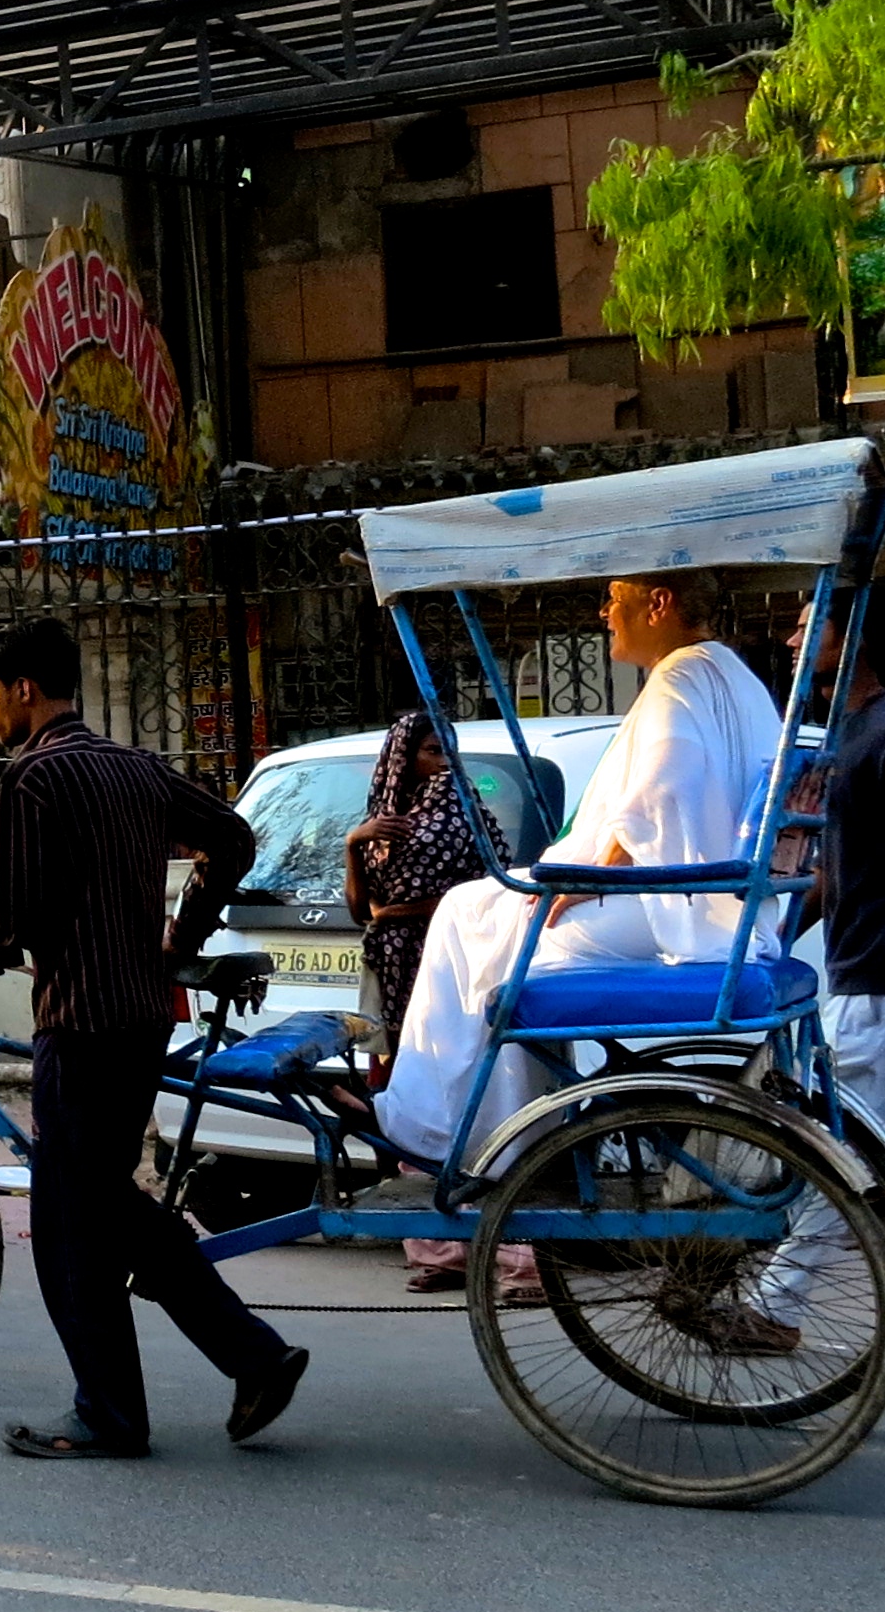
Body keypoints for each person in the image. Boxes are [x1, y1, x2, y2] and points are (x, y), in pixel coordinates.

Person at [0, 617, 299, 1462]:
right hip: (140, 1016)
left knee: (69, 1223)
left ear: (24, 688)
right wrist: (182, 937)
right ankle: (250, 1359)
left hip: (83, 1022)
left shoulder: (31, 780)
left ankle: (118, 1413)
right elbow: (232, 840)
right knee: (101, 1205)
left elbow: (15, 920)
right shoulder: (135, 768)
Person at [373, 574, 785, 1170]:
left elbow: (662, 791)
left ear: (658, 602)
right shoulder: (731, 674)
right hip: (718, 900)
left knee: (480, 924)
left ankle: (453, 1134)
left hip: (678, 904)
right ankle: (504, 1133)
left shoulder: (679, 675)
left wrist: (595, 875)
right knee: (493, 920)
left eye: (616, 601)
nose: (604, 614)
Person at [737, 607, 885, 1352]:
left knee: (843, 1155)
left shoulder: (881, 729)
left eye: (810, 627)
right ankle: (773, 1306)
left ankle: (774, 1307)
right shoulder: (850, 730)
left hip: (877, 980)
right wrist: (762, 939)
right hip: (858, 968)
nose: (791, 642)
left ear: (855, 634)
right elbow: (833, 871)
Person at [340, 711, 520, 1297]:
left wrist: (403, 914)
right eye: (426, 750)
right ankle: (439, 1251)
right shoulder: (383, 821)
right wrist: (354, 843)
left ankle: (511, 1251)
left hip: (452, 970)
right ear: (400, 757)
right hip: (391, 972)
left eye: (446, 749)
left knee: (466, 1097)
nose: (439, 761)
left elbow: (486, 890)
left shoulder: (464, 812)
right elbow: (357, 909)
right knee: (403, 1103)